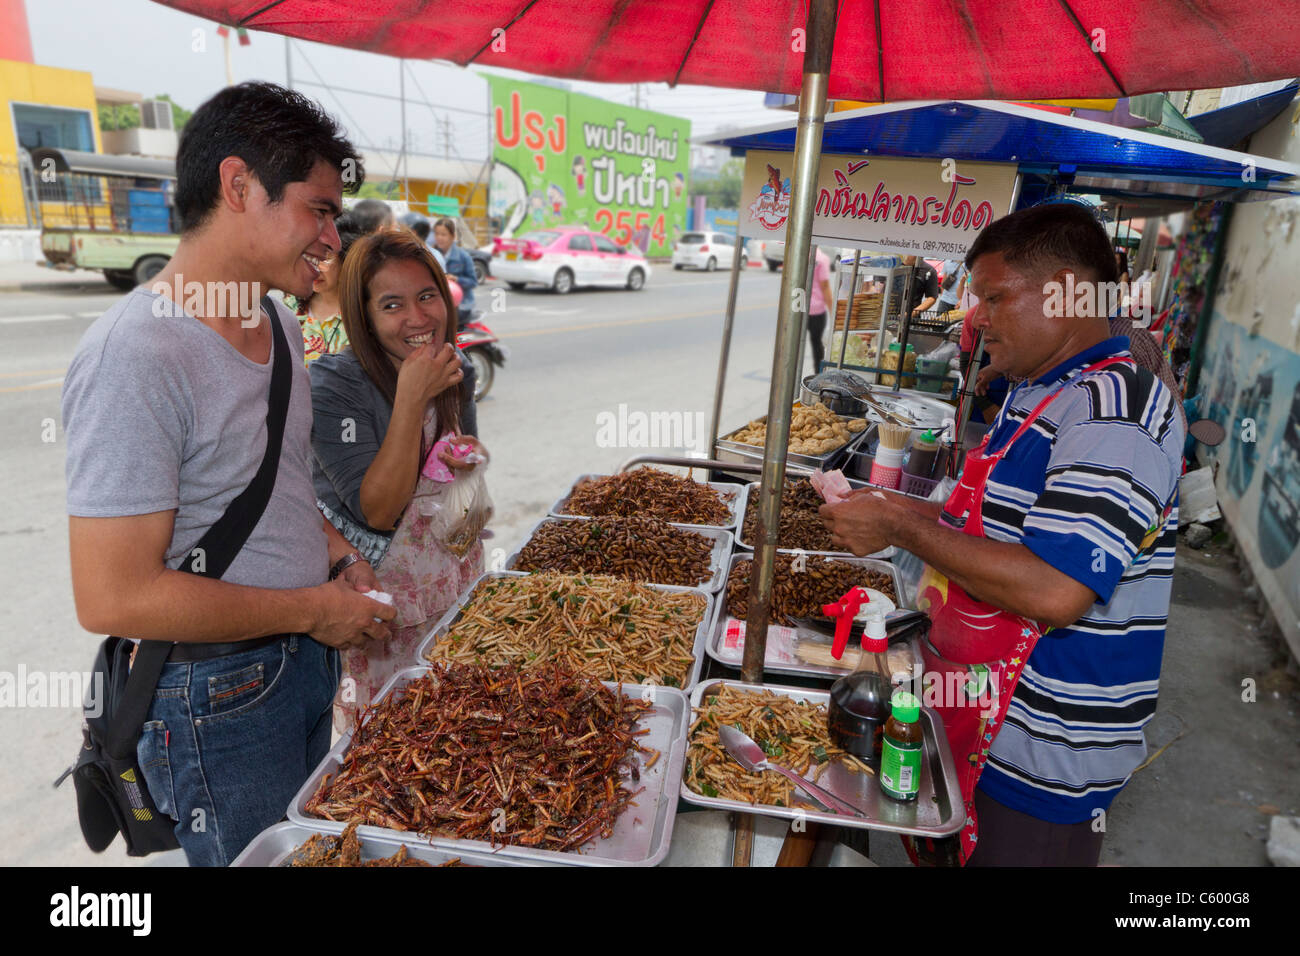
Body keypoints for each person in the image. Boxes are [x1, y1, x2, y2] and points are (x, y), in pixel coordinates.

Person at [61, 82, 394, 867]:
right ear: (239, 185)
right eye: (317, 209)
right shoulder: (137, 355)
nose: (331, 237)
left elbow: (275, 487)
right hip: (216, 698)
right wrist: (312, 608)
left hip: (303, 665)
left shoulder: (277, 320)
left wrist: (339, 562)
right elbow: (113, 595)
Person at [821, 202, 1184, 867]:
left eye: (993, 296)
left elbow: (1057, 587)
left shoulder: (1115, 414)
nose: (976, 317)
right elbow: (981, 527)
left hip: (1039, 761)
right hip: (970, 716)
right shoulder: (1038, 390)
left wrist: (898, 522)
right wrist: (888, 505)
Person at [309, 229, 488, 732]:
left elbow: (463, 468)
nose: (417, 318)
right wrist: (411, 396)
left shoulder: (459, 369)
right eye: (392, 305)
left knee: (459, 734)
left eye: (427, 296)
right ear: (363, 316)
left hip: (451, 590)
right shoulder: (333, 385)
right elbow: (379, 510)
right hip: (381, 610)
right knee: (391, 746)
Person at [287, 210, 361, 364]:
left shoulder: (361, 314)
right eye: (307, 256)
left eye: (324, 258)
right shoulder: (290, 305)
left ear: (347, 259)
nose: (314, 266)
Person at [431, 217, 478, 330]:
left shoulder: (463, 256)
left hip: (461, 306)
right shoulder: (432, 255)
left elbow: (473, 282)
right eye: (437, 234)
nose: (439, 238)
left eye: (443, 234)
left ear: (452, 236)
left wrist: (456, 279)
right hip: (440, 304)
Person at [806, 246, 833, 372]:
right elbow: (825, 286)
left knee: (793, 343)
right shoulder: (822, 259)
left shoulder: (799, 255)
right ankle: (819, 375)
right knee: (817, 344)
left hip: (799, 308)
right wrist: (832, 310)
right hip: (816, 310)